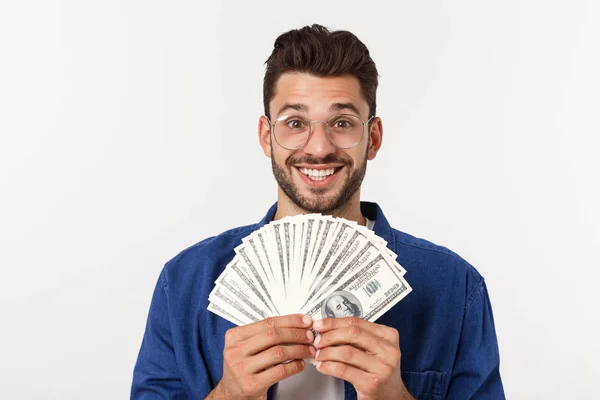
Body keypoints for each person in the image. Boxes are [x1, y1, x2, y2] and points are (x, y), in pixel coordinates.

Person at [131, 24, 504, 399]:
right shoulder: (183, 283)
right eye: (295, 123)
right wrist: (227, 395)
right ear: (266, 136)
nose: (320, 147)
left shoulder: (456, 287)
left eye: (342, 123)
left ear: (372, 139)